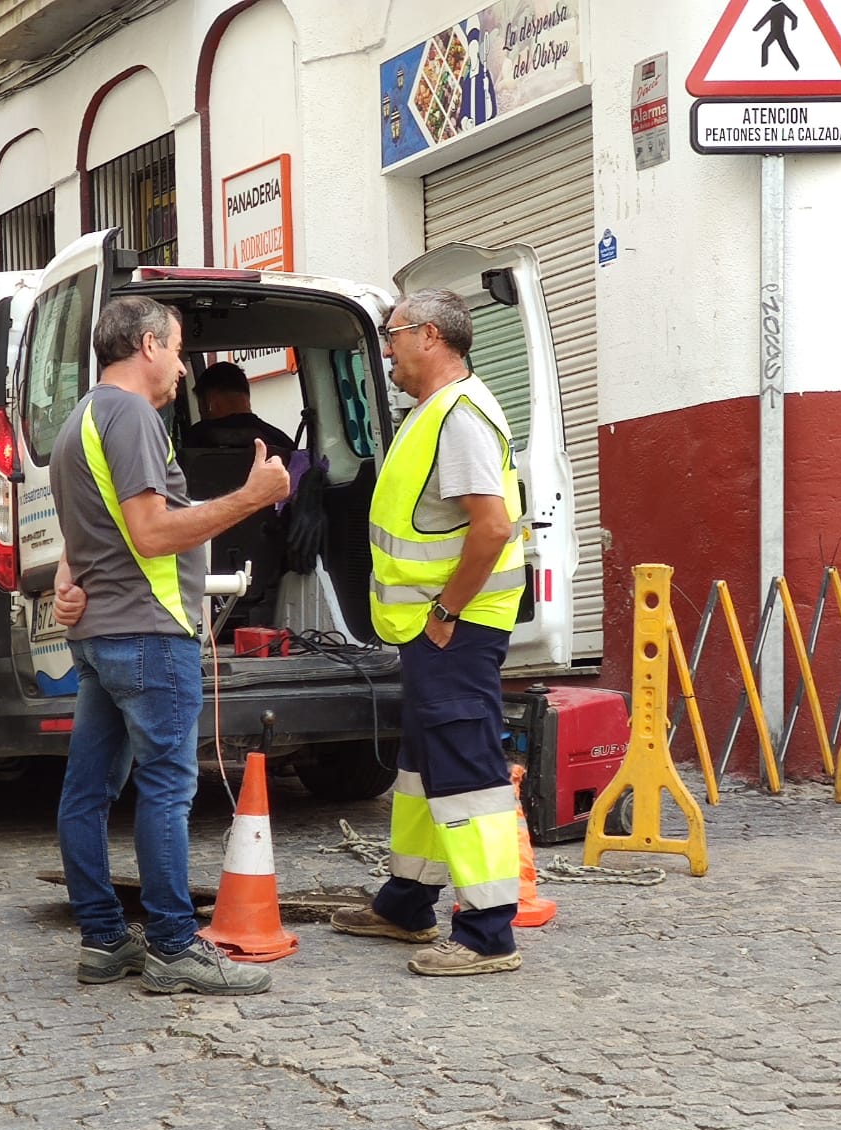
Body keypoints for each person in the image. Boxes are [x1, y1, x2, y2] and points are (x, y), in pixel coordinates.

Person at [49, 294, 290, 996]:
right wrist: (253, 496)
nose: (184, 369)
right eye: (179, 349)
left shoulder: (81, 419)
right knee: (165, 790)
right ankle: (173, 947)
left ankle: (103, 940)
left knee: (87, 791)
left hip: (103, 636)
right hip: (150, 634)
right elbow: (150, 533)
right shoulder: (131, 416)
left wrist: (70, 581)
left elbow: (86, 533)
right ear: (148, 345)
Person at [330, 287, 527, 977]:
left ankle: (488, 933)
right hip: (435, 627)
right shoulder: (434, 413)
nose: (386, 350)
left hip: (456, 627)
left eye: (393, 335)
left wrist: (446, 611)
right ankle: (408, 902)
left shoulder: (458, 416)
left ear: (431, 337)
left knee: (466, 769)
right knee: (422, 769)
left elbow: (493, 526)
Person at [181, 361, 295, 464]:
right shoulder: (282, 442)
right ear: (247, 396)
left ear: (212, 402)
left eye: (200, 405)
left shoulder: (195, 439)